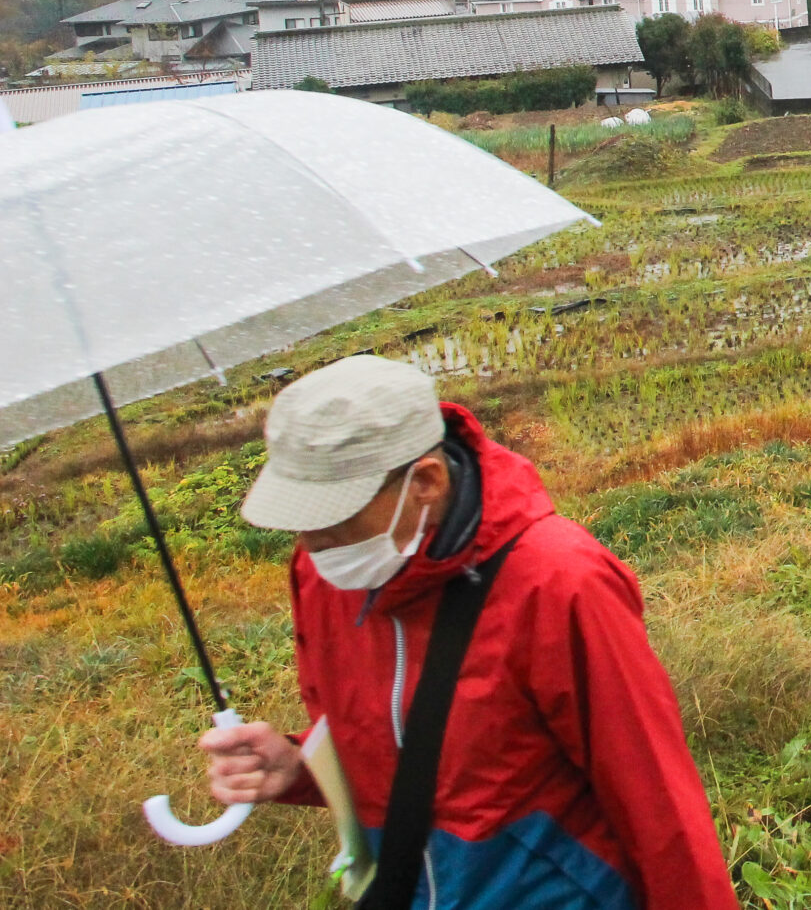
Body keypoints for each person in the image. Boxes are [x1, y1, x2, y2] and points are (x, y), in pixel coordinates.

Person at [200, 355, 738, 910]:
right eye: (298, 518)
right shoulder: (323, 576)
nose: (310, 542)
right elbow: (394, 751)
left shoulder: (558, 581)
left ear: (425, 482)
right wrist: (298, 768)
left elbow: (655, 798)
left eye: (334, 516)